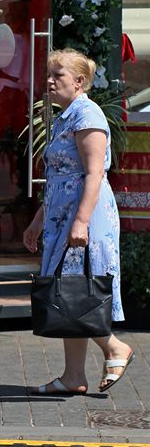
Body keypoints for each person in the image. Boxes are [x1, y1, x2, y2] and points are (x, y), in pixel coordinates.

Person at [22, 49, 132, 396]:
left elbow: (94, 174)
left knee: (75, 287)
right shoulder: (68, 116)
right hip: (62, 215)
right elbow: (59, 176)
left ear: (79, 82)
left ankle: (114, 347)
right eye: (49, 75)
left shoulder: (88, 115)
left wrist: (81, 222)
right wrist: (37, 221)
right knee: (68, 288)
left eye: (58, 76)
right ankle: (73, 376)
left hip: (85, 216)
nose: (50, 81)